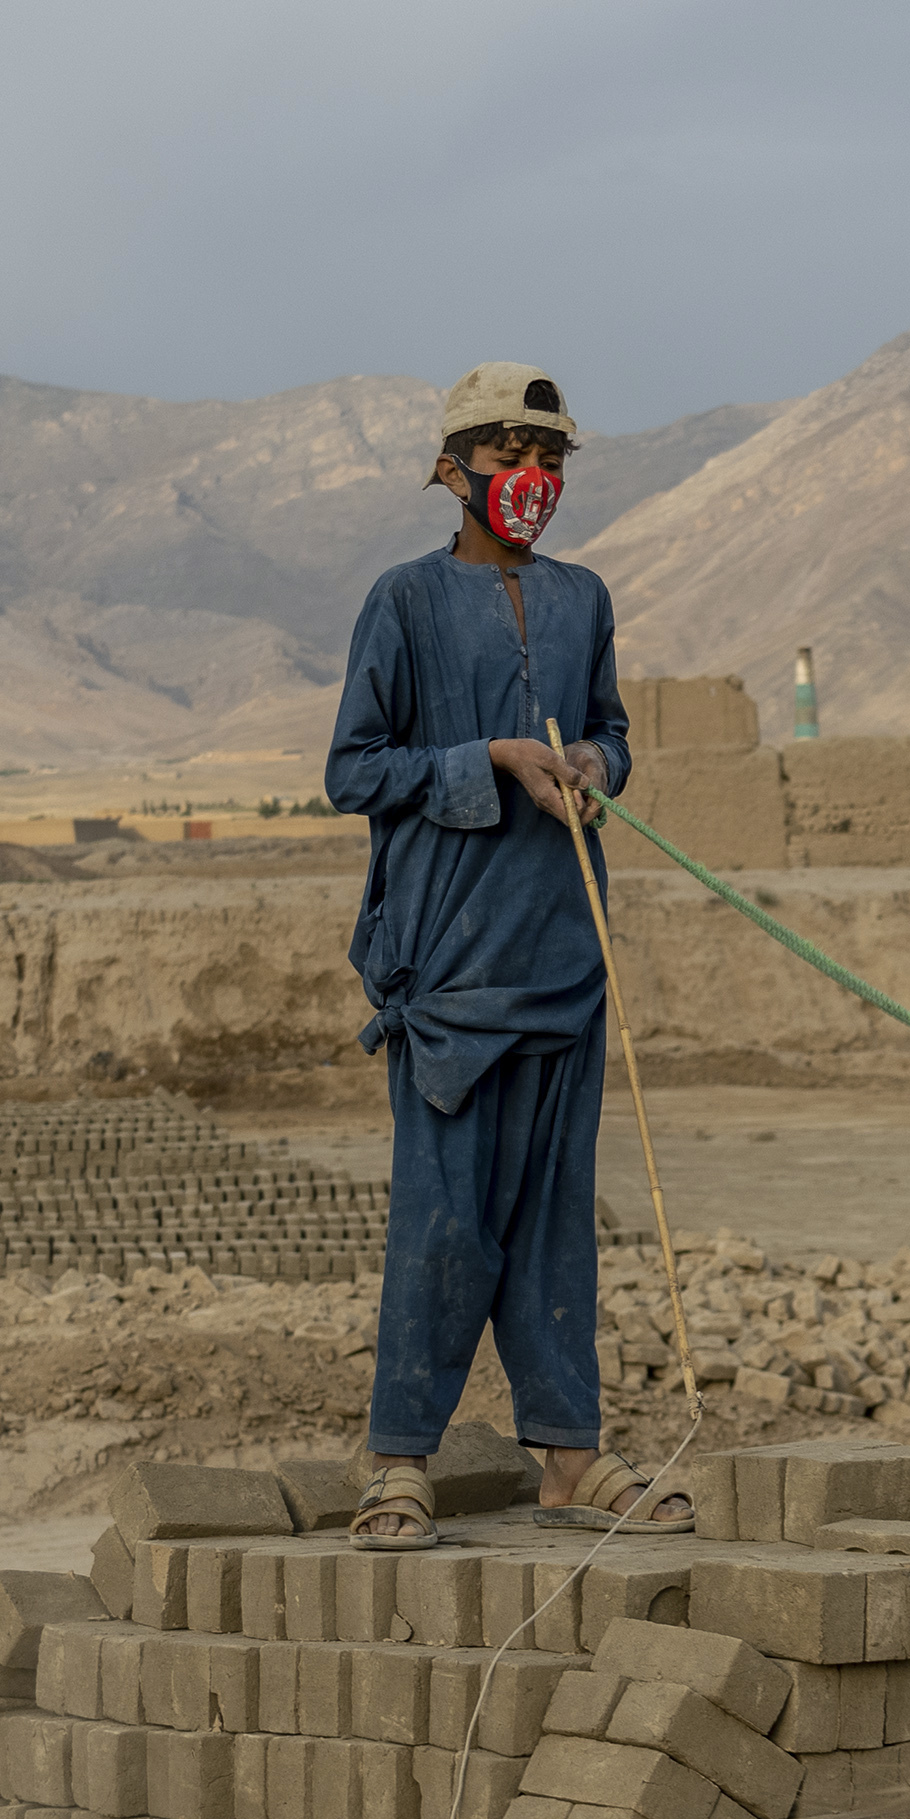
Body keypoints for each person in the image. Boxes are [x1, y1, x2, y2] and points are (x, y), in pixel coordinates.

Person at [323, 364, 686, 1546]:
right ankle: (398, 1461)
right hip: (447, 970)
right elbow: (354, 770)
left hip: (564, 956)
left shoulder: (585, 598)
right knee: (444, 1220)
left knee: (552, 1220)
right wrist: (484, 760)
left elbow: (615, 733)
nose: (532, 479)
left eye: (551, 459)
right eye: (508, 454)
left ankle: (570, 1459)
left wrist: (589, 763)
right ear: (451, 469)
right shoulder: (405, 601)